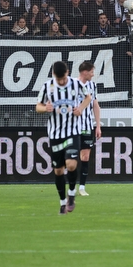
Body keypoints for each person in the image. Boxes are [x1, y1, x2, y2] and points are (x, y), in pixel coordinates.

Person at [35, 60, 91, 215]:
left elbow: (88, 97)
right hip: (55, 134)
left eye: (63, 78)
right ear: (54, 75)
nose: (61, 81)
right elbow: (37, 106)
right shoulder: (48, 86)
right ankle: (62, 202)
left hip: (72, 131)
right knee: (59, 170)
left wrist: (80, 108)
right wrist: (44, 108)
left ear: (67, 72)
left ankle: (71, 194)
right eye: (58, 79)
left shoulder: (75, 84)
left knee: (71, 164)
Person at [75, 60, 102, 196]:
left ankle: (82, 187)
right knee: (72, 158)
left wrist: (98, 126)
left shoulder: (92, 85)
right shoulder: (71, 85)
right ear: (85, 72)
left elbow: (95, 105)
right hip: (72, 128)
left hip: (86, 126)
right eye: (91, 72)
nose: (93, 74)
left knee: (85, 156)